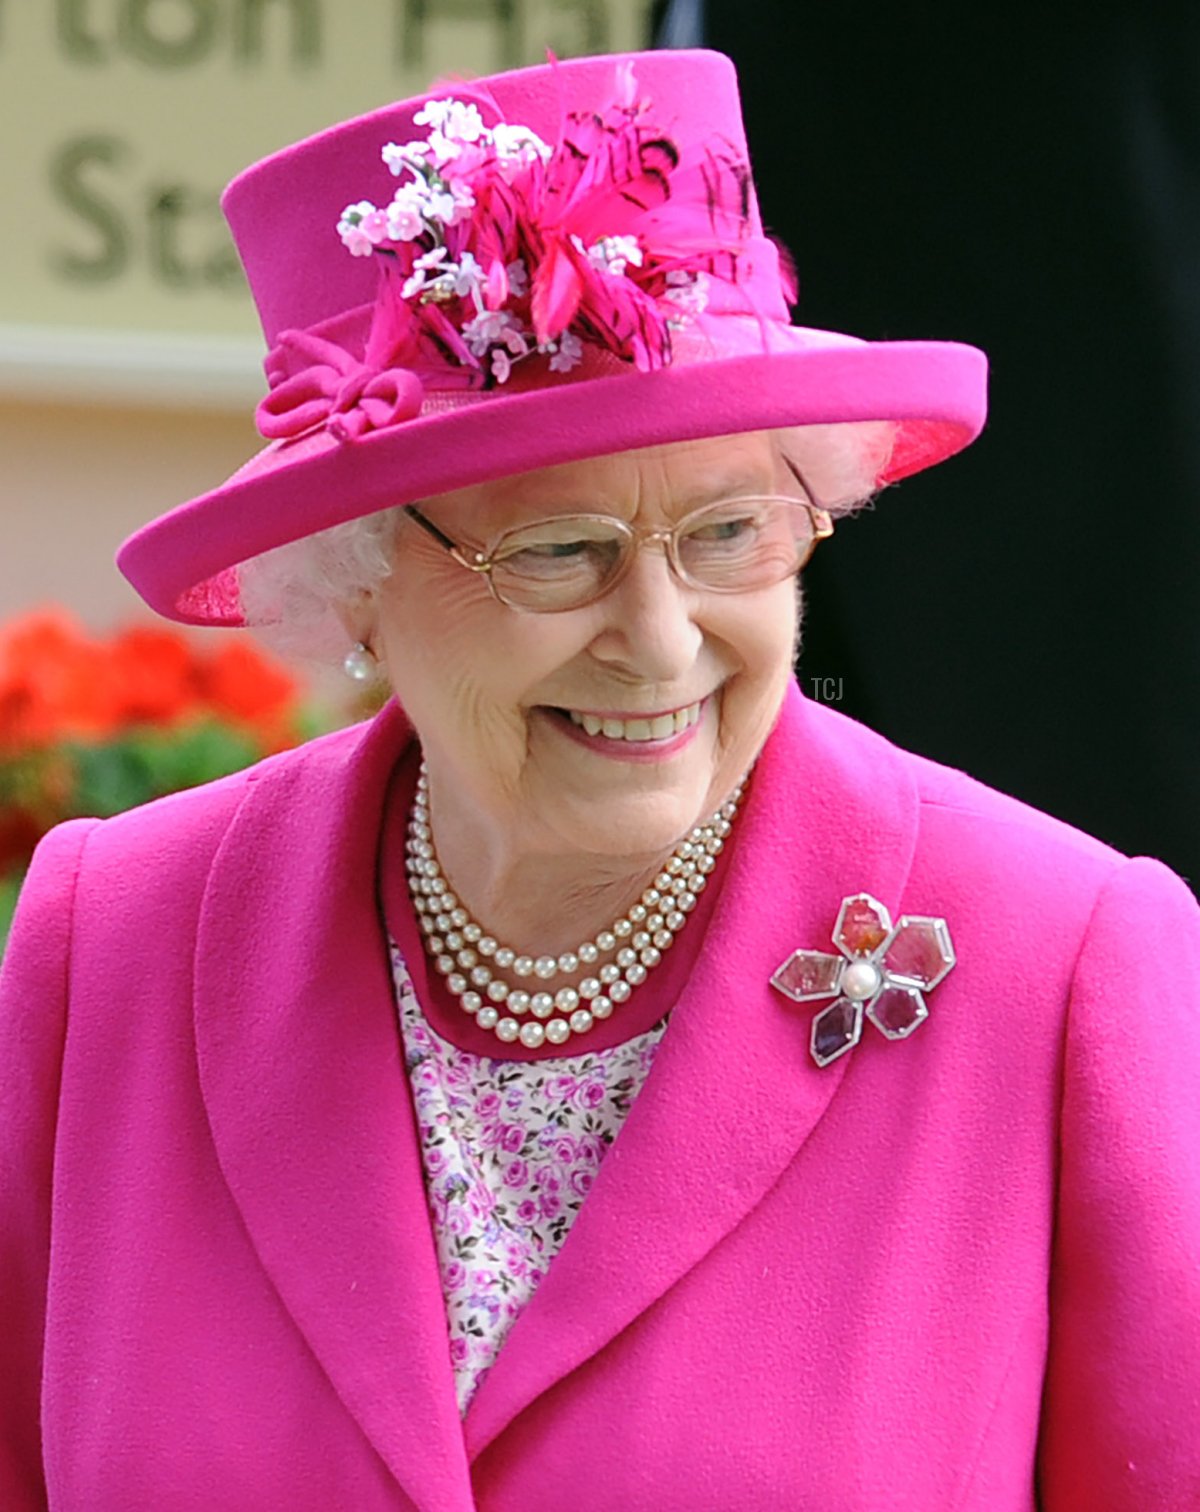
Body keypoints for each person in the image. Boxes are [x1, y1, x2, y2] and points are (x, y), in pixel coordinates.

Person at [1, 48, 1197, 1512]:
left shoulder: (1061, 959)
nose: (658, 638)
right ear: (359, 580)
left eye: (730, 533)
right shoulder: (112, 938)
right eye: (558, 551)